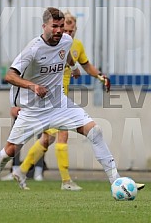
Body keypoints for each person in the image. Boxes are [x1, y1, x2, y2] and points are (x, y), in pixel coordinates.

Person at [0, 7, 144, 201]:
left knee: (95, 131)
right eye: (54, 26)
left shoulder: (66, 40)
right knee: (9, 152)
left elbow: (67, 55)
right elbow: (10, 75)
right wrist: (33, 86)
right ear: (44, 26)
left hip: (59, 104)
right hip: (33, 110)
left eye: (61, 26)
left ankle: (116, 181)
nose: (59, 30)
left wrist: (73, 67)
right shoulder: (33, 49)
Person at [16, 11, 112, 191]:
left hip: (62, 97)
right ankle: (66, 181)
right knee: (61, 135)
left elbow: (86, 65)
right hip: (49, 100)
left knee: (46, 139)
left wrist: (100, 76)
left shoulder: (75, 45)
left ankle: (21, 170)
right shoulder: (48, 44)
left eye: (71, 30)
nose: (68, 34)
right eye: (65, 29)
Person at [0, 106, 45, 182]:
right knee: (16, 138)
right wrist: (14, 105)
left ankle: (38, 171)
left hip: (40, 107)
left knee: (42, 140)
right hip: (23, 109)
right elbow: (15, 94)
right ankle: (15, 170)